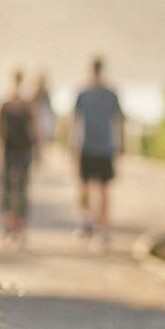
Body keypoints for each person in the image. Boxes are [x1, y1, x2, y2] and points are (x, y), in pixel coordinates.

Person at [71, 57, 124, 245]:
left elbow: (118, 120)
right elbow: (75, 121)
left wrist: (120, 145)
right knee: (86, 187)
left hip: (103, 147)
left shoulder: (109, 94)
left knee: (102, 188)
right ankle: (88, 221)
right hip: (89, 146)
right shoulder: (83, 93)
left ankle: (101, 226)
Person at [0, 69, 39, 242]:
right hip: (8, 150)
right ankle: (8, 223)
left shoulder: (28, 105)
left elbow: (34, 129)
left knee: (22, 189)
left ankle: (20, 226)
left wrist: (38, 151)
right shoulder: (3, 104)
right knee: (6, 188)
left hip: (23, 151)